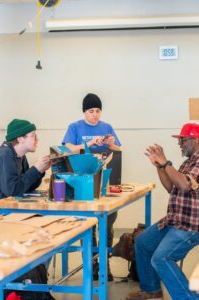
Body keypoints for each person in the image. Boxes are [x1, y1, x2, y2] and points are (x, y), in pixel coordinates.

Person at [126, 123, 199, 300]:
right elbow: (171, 187)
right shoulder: (189, 161)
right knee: (142, 242)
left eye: (183, 140)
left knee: (161, 258)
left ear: (196, 140)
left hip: (193, 226)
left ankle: (188, 297)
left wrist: (166, 162)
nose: (180, 144)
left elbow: (185, 185)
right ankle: (151, 291)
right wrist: (159, 166)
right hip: (176, 220)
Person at [62, 93, 122, 281]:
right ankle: (92, 265)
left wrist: (111, 144)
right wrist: (88, 144)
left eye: (98, 111)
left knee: (108, 223)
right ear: (84, 112)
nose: (95, 115)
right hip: (83, 185)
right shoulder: (75, 127)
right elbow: (66, 148)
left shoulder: (107, 127)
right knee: (88, 225)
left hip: (104, 182)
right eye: (91, 111)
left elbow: (119, 150)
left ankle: (104, 264)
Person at [0, 119, 50, 215]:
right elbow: (13, 191)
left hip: (3, 211)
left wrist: (40, 170)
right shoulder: (4, 155)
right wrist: (35, 169)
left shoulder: (20, 156)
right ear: (20, 139)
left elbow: (25, 187)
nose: (37, 139)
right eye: (33, 136)